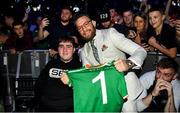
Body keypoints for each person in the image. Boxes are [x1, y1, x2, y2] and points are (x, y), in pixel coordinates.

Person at [61, 14, 147, 112]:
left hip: (128, 91)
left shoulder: (110, 33)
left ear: (93, 23)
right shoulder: (84, 51)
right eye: (80, 28)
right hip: (108, 97)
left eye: (86, 24)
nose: (84, 29)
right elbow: (88, 78)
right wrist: (71, 81)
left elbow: (140, 51)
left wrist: (128, 63)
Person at [34, 37, 82, 112]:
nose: (65, 50)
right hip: (46, 107)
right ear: (58, 50)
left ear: (74, 50)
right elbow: (39, 85)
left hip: (69, 109)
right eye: (61, 46)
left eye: (68, 46)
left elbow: (83, 91)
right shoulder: (50, 64)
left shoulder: (80, 68)